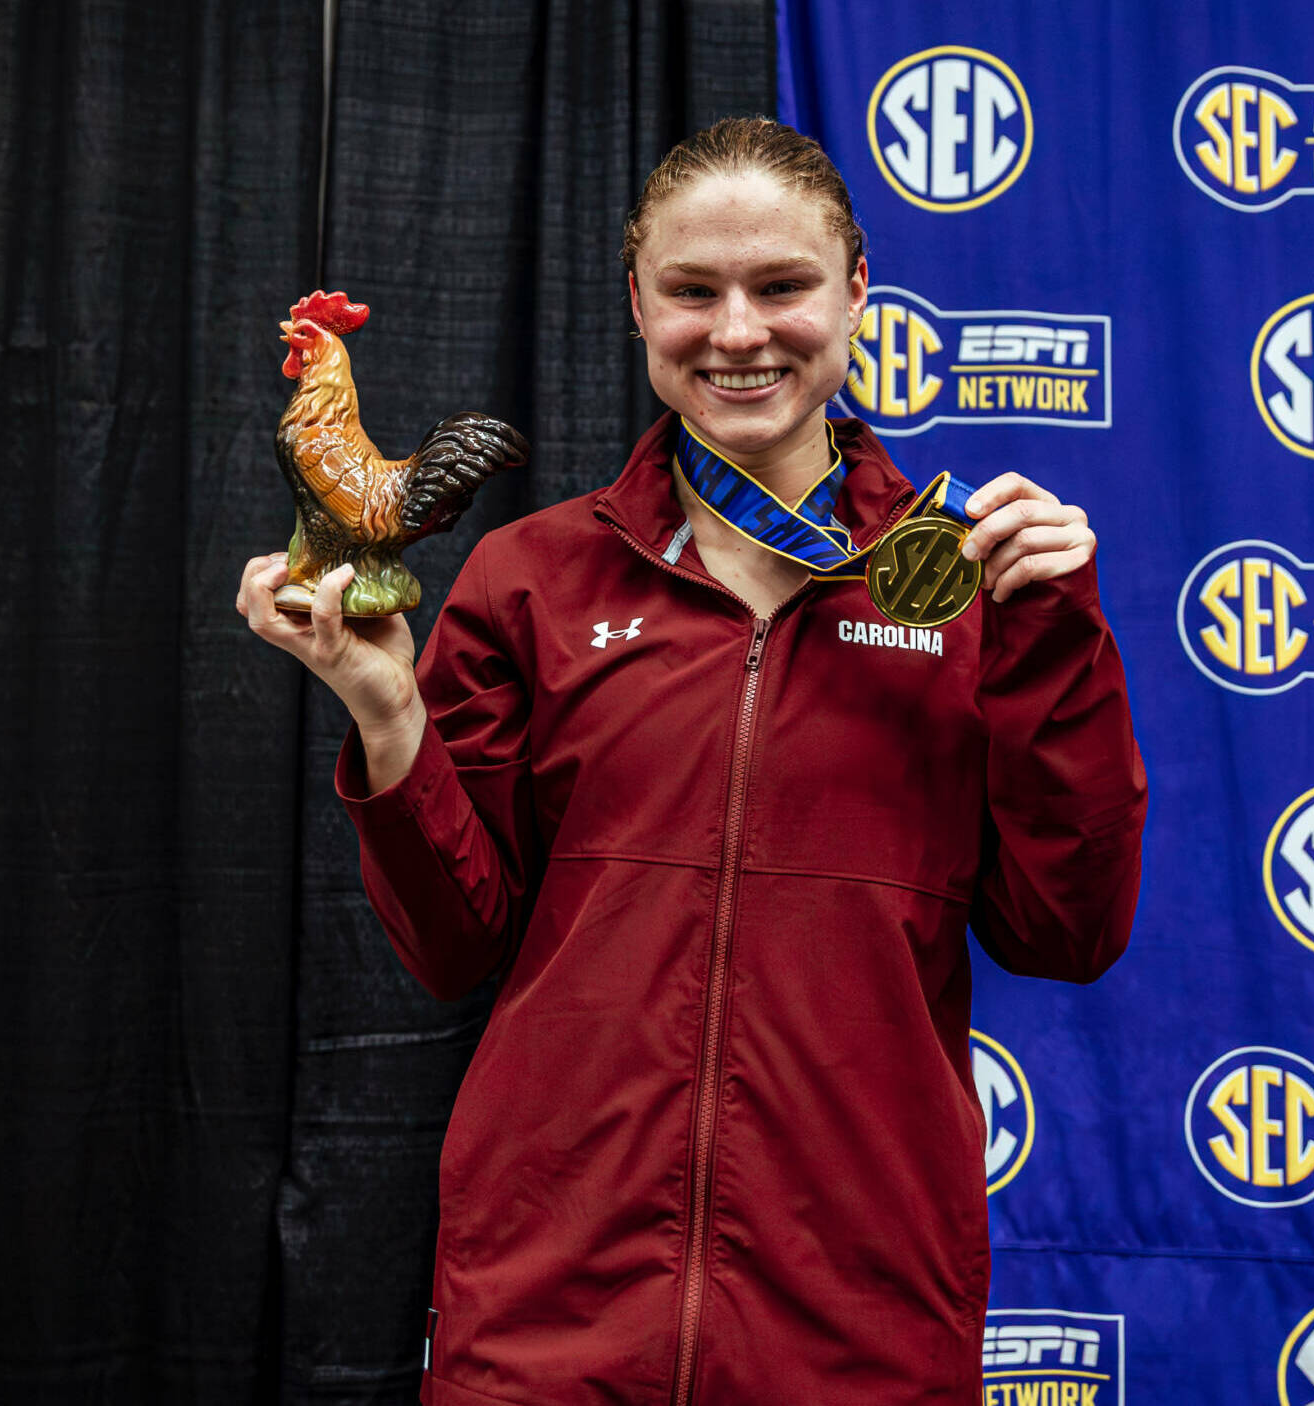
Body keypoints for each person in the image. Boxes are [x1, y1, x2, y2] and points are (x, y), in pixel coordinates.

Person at [236, 118, 1145, 1406]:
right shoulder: (530, 580)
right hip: (552, 1313)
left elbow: (1066, 930)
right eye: (691, 291)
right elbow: (455, 945)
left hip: (858, 1322)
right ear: (635, 303)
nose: (736, 332)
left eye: (782, 286)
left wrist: (1056, 635)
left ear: (857, 297)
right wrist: (392, 723)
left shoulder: (977, 585)